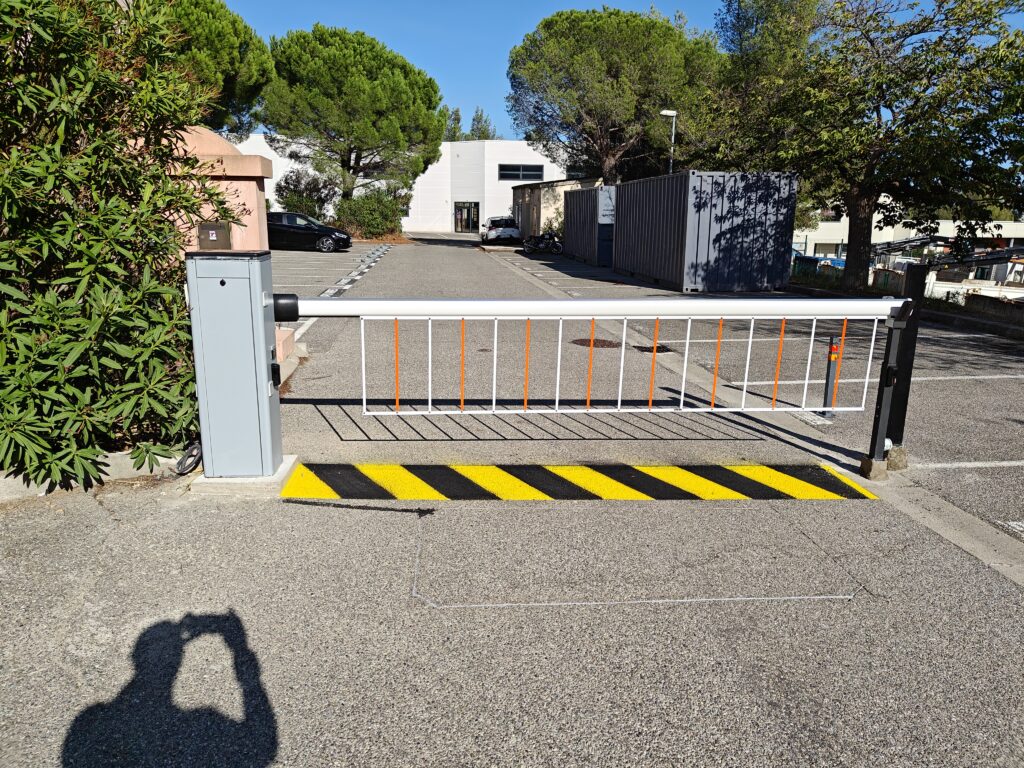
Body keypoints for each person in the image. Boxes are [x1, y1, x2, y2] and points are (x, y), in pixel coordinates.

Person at [62, 611, 277, 767]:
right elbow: (262, 746)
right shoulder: (200, 729)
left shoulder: (91, 721)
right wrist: (239, 648)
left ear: (135, 658)